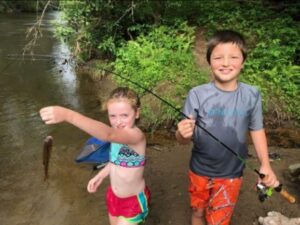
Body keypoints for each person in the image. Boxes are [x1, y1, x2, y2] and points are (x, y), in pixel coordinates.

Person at [175, 30, 279, 225]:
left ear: (243, 61)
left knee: (219, 221)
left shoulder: (252, 94)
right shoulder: (196, 94)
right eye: (218, 57)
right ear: (209, 62)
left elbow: (257, 130)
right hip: (198, 170)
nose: (225, 63)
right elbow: (182, 139)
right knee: (197, 213)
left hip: (231, 174)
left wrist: (265, 164)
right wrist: (181, 134)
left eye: (233, 57)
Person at [39, 87, 150, 225]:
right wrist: (101, 175)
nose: (118, 122)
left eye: (124, 115)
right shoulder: (117, 137)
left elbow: (108, 134)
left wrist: (68, 115)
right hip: (113, 197)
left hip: (133, 201)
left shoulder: (135, 136)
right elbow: (115, 162)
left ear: (137, 113)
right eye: (113, 116)